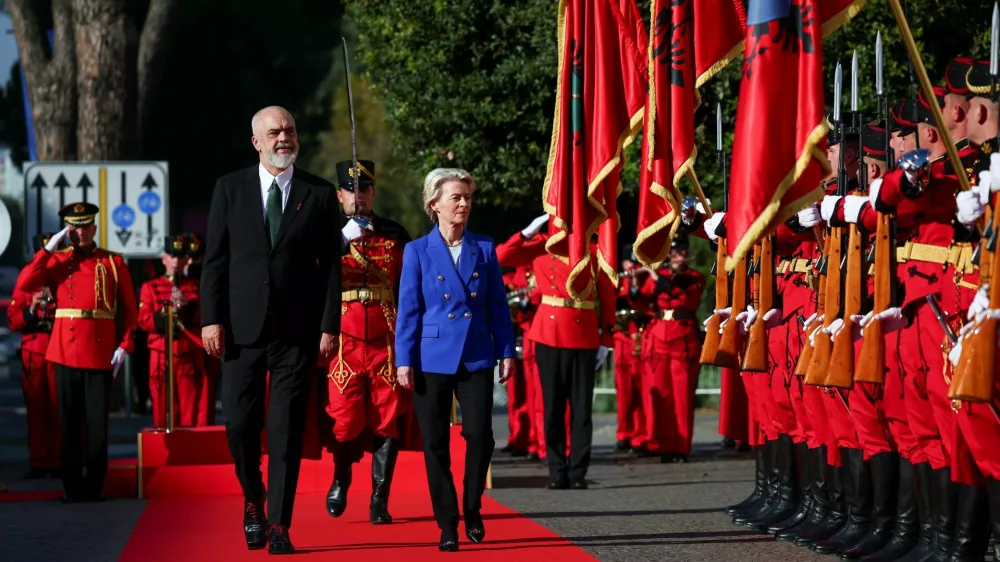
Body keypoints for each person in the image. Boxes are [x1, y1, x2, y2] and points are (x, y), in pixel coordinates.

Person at [200, 106, 343, 555]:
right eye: (275, 132)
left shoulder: (319, 194)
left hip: (295, 333)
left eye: (290, 131)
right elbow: (215, 261)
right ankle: (253, 498)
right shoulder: (230, 189)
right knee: (239, 426)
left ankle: (279, 523)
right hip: (240, 331)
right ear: (256, 141)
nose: (284, 138)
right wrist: (210, 317)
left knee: (284, 431)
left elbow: (332, 270)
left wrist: (328, 326)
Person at [395, 168, 516, 552]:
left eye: (467, 197)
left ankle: (472, 505)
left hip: (477, 355)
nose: (463, 204)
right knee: (435, 444)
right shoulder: (417, 251)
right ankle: (447, 522)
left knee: (480, 435)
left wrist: (506, 350)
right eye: (455, 198)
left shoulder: (484, 247)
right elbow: (408, 311)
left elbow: (498, 305)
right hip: (431, 357)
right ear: (435, 204)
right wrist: (403, 360)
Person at [17, 202, 139, 503]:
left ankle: (95, 485)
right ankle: (71, 486)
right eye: (73, 227)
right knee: (68, 424)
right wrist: (49, 249)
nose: (79, 232)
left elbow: (129, 310)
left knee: (97, 425)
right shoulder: (56, 262)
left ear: (94, 228)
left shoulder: (112, 263)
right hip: (64, 352)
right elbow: (24, 285)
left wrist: (125, 344)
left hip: (99, 351)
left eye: (84, 226)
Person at [323, 159, 414, 525]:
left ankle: (380, 497)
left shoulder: (395, 233)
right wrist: (342, 238)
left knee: (388, 418)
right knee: (344, 418)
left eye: (363, 190)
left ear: (372, 192)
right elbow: (309, 272)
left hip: (386, 337)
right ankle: (341, 477)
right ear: (339, 194)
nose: (357, 197)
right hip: (343, 338)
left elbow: (409, 287)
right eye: (350, 190)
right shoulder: (326, 233)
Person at [8, 233, 60, 479]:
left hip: (59, 347)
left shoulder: (63, 276)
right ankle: (39, 462)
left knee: (60, 408)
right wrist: (31, 310)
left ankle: (60, 460)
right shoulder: (27, 277)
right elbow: (13, 319)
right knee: (37, 409)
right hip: (35, 348)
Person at [137, 235, 204, 428]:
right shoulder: (150, 287)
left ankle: (188, 454)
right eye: (172, 256)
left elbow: (203, 317)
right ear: (164, 258)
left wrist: (186, 306)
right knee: (161, 410)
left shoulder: (195, 287)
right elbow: (143, 320)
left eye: (180, 257)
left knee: (188, 411)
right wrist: (164, 314)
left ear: (186, 260)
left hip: (186, 355)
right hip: (160, 356)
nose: (175, 262)